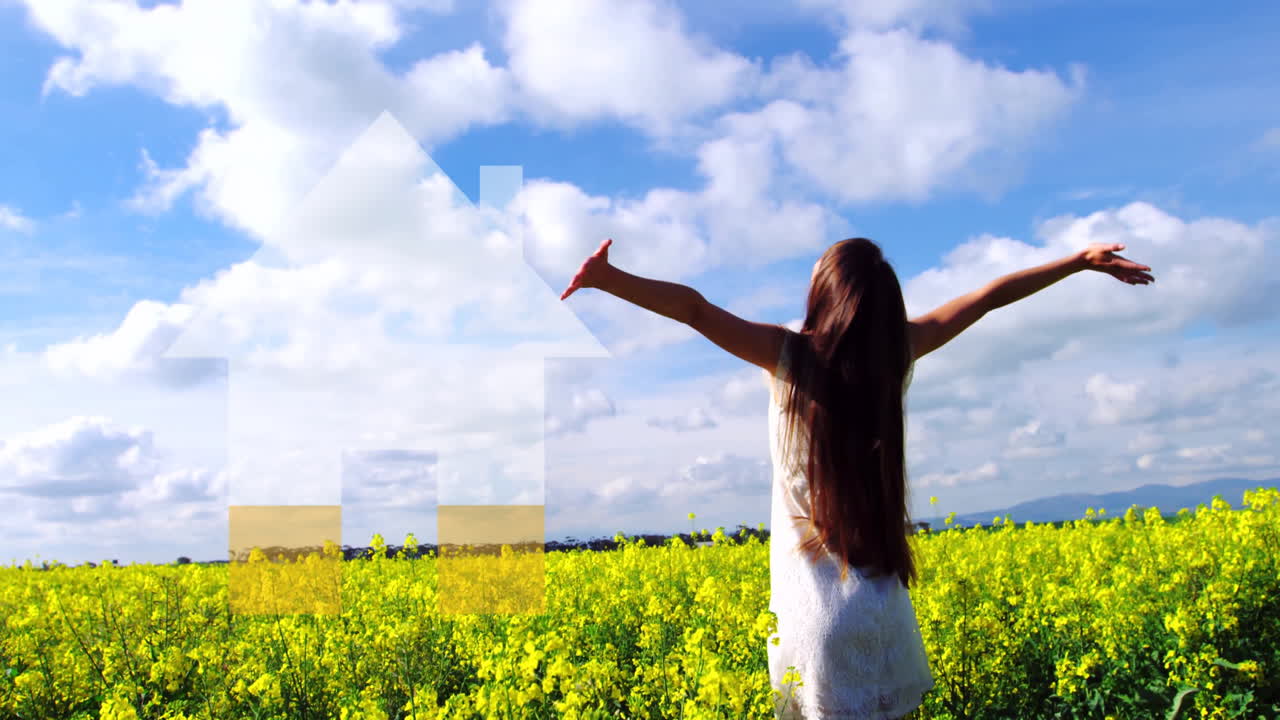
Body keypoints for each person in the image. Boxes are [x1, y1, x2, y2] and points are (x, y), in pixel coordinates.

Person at [559, 236, 1154, 719]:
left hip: (815, 617)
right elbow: (988, 298)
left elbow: (694, 309)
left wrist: (611, 280)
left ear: (824, 295)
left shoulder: (789, 356)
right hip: (882, 607)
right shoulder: (900, 353)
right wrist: (1077, 263)